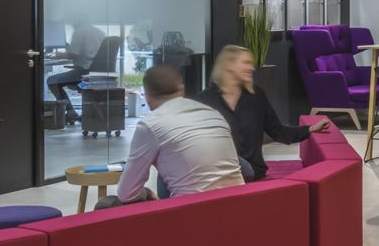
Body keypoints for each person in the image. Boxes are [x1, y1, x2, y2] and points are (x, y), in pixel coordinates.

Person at [101, 64, 244, 206]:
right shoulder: (213, 113)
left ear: (147, 95)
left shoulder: (150, 124)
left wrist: (146, 192)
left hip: (196, 211)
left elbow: (127, 194)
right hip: (239, 204)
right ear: (182, 89)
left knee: (106, 204)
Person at [198, 44, 333, 180]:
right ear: (229, 65)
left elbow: (278, 132)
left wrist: (310, 129)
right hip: (215, 166)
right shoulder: (205, 99)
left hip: (247, 168)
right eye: (246, 63)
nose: (251, 68)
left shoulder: (256, 96)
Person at [48, 19, 107, 121]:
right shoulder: (99, 32)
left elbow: (72, 54)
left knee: (52, 81)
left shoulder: (79, 31)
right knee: (59, 79)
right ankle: (72, 112)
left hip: (85, 72)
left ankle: (71, 112)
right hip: (99, 73)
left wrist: (53, 55)